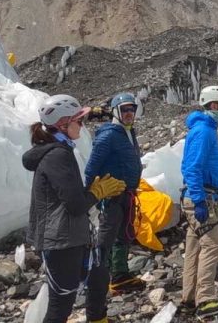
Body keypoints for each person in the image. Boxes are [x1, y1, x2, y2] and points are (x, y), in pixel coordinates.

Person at [23, 94, 126, 323]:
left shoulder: (60, 150)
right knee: (61, 306)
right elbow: (76, 204)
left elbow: (70, 196)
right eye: (79, 120)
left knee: (98, 276)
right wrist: (98, 192)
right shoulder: (57, 155)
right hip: (60, 241)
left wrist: (94, 190)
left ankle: (98, 319)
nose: (82, 125)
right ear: (63, 124)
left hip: (70, 237)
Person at [85, 92, 144, 298]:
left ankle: (120, 275)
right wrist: (87, 196)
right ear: (116, 112)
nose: (129, 113)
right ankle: (98, 278)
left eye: (132, 109)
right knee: (106, 237)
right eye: (125, 109)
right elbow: (91, 167)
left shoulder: (128, 132)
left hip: (126, 194)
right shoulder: (108, 135)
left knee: (124, 234)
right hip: (112, 196)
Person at [181, 85, 218, 319]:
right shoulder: (204, 131)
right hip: (202, 197)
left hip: (199, 195)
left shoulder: (204, 128)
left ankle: (189, 298)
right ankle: (206, 299)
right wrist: (200, 200)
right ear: (208, 105)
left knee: (194, 247)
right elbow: (192, 167)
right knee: (212, 244)